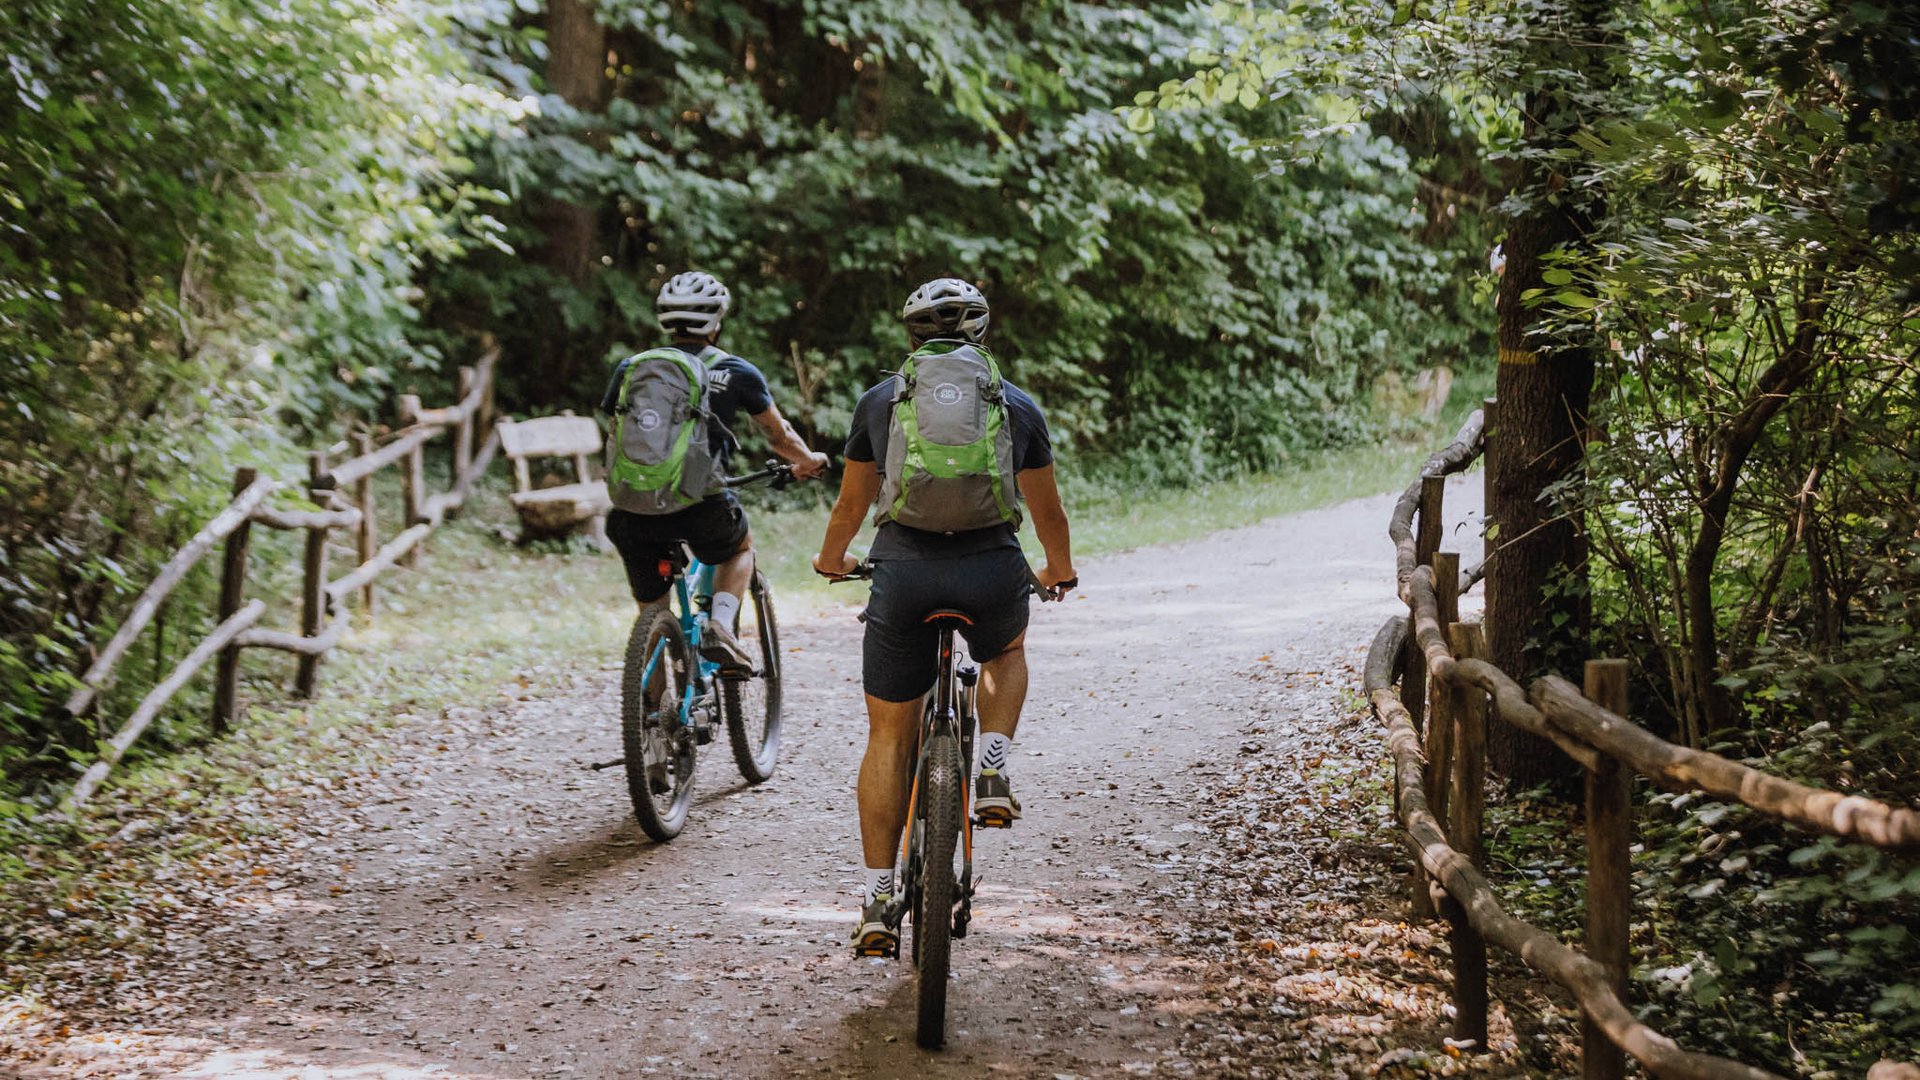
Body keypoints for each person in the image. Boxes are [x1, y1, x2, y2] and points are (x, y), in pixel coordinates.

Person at [812, 277, 1077, 955]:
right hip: (991, 571)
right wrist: (1057, 571)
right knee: (1006, 653)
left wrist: (832, 559)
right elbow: (1047, 514)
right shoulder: (1014, 404)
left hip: (903, 575)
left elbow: (849, 506)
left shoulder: (882, 401)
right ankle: (991, 766)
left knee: (889, 739)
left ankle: (876, 900)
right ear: (980, 333)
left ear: (913, 336)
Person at [602, 270, 828, 665]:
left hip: (631, 513)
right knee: (740, 548)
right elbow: (779, 436)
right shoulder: (736, 371)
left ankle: (651, 713)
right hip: (701, 507)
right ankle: (721, 626)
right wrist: (807, 461)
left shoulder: (632, 369)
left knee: (650, 614)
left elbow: (615, 433)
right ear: (716, 321)